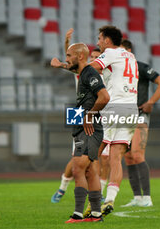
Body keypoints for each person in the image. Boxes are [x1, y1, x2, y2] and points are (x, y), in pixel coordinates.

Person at [52, 43, 110, 223]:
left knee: (78, 168)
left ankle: (77, 214)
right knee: (90, 171)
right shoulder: (83, 73)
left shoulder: (90, 73)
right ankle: (95, 215)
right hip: (80, 124)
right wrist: (60, 63)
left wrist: (90, 114)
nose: (66, 59)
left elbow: (105, 97)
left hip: (90, 127)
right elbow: (71, 66)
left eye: (69, 55)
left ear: (79, 56)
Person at [89, 26, 139, 216]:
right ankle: (109, 200)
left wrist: (65, 65)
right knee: (116, 158)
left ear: (108, 40)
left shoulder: (110, 52)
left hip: (114, 107)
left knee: (93, 153)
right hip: (131, 108)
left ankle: (93, 198)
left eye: (100, 38)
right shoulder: (130, 56)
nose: (98, 42)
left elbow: (91, 68)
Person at [120, 39, 160, 207]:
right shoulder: (118, 70)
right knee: (128, 157)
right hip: (123, 116)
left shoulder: (141, 67)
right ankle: (137, 198)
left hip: (140, 114)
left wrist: (151, 102)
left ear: (128, 50)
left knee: (137, 153)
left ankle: (147, 197)